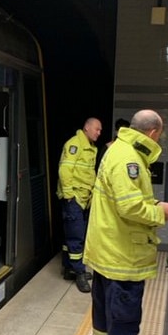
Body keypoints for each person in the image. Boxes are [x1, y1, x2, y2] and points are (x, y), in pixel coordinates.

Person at [83, 109, 168, 335]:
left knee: (103, 321)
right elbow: (129, 208)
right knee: (124, 324)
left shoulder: (117, 151)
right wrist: (158, 212)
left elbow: (121, 200)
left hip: (106, 252)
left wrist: (152, 202)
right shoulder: (129, 159)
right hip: (122, 258)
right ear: (152, 133)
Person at [56, 117, 102, 292]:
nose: (99, 133)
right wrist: (69, 195)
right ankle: (80, 272)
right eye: (97, 129)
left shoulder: (91, 148)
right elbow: (65, 170)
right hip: (74, 197)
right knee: (77, 236)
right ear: (87, 128)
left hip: (84, 198)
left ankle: (69, 269)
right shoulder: (74, 145)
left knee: (71, 235)